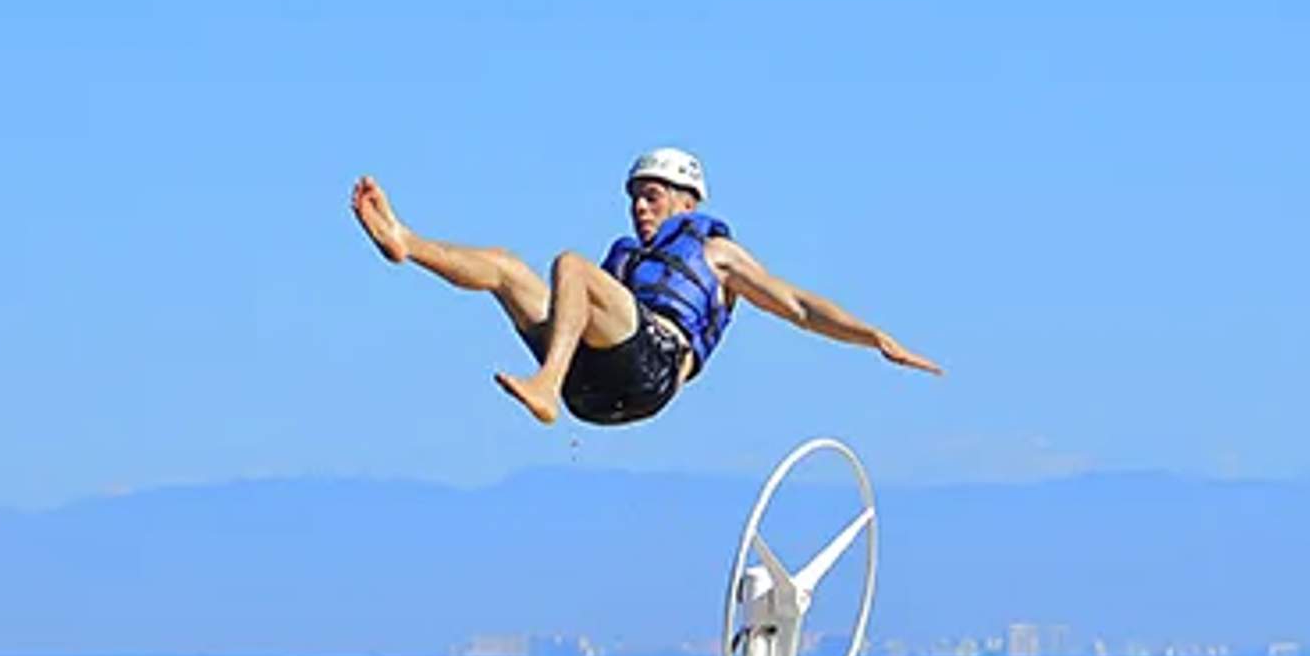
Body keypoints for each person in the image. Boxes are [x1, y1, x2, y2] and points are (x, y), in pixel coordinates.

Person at [351, 148, 941, 427]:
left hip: (651, 369)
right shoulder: (628, 262)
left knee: (571, 266)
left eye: (652, 195)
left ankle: (544, 388)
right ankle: (407, 240)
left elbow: (799, 307)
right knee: (508, 268)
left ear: (687, 202)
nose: (639, 205)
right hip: (595, 388)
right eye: (635, 195)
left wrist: (874, 337)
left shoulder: (716, 253)